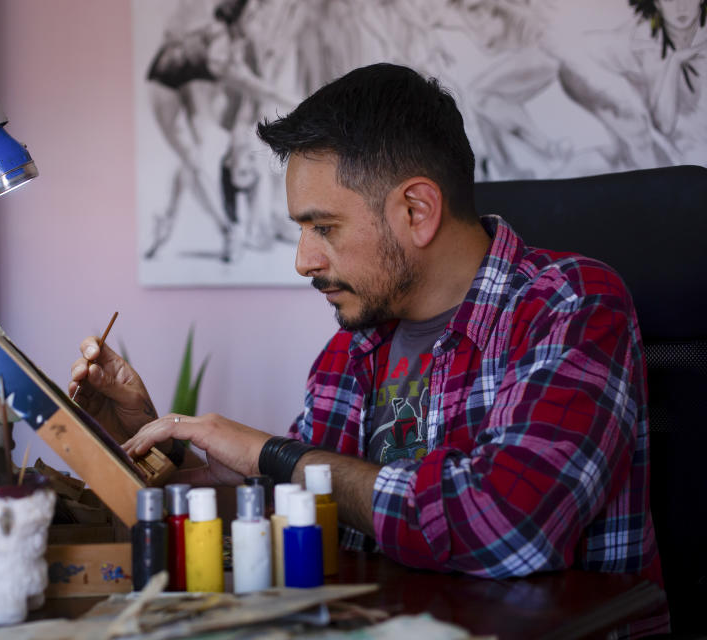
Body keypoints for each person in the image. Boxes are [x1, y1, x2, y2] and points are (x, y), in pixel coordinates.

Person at [70, 63, 666, 635]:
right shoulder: (350, 350)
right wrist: (151, 444)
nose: (303, 260)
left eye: (323, 227)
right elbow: (291, 507)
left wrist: (276, 454)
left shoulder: (571, 307)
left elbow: (506, 524)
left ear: (417, 210)